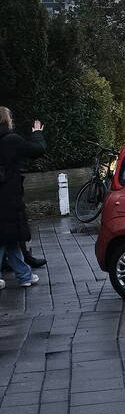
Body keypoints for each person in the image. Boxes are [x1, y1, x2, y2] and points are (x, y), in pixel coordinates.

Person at [0, 107, 45, 289]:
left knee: (9, 237)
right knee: (5, 237)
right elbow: (36, 150)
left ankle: (24, 275)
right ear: (7, 120)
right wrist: (37, 133)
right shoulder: (11, 140)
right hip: (8, 195)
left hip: (6, 194)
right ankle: (24, 275)